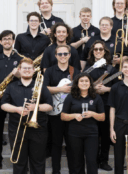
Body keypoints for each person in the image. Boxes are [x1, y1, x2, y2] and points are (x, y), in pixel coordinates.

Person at [1, 58, 53, 174]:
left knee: (38, 162)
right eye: (24, 68)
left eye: (29, 68)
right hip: (17, 129)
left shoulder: (41, 86)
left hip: (38, 129)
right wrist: (16, 109)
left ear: (33, 70)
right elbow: (3, 105)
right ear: (19, 70)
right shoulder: (11, 86)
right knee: (19, 163)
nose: (27, 70)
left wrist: (36, 107)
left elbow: (50, 106)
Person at [0, 30, 23, 171]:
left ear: (13, 41)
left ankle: (19, 161)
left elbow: (26, 76)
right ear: (0, 42)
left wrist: (18, 73)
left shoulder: (20, 58)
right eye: (4, 39)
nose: (7, 41)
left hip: (16, 96)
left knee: (17, 130)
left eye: (9, 39)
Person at [44, 45, 80, 174]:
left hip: (71, 113)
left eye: (65, 54)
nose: (63, 56)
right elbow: (44, 89)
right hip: (55, 113)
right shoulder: (49, 71)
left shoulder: (75, 72)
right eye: (60, 54)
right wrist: (60, 89)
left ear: (70, 55)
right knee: (56, 144)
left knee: (72, 145)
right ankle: (56, 171)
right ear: (56, 56)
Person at [84, 40, 119, 171]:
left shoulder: (111, 69)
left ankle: (103, 160)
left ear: (105, 52)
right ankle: (92, 160)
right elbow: (80, 83)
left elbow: (118, 88)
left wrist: (107, 89)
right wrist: (92, 88)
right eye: (96, 49)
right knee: (92, 134)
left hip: (106, 104)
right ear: (92, 52)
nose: (98, 51)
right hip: (90, 104)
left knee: (105, 134)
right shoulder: (88, 68)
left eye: (100, 49)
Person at [61, 73, 105, 174]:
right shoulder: (70, 97)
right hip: (74, 134)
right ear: (77, 83)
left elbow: (102, 117)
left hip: (91, 134)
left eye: (86, 81)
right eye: (81, 81)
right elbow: (63, 116)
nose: (84, 83)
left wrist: (93, 114)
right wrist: (74, 116)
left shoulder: (96, 97)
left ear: (90, 83)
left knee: (91, 161)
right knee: (76, 162)